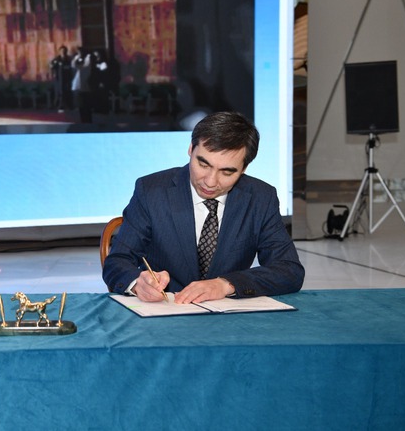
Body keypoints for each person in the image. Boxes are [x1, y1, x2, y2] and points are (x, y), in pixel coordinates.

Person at [102, 111, 304, 304]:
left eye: (227, 172)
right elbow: (117, 261)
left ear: (244, 168)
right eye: (203, 165)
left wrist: (226, 284)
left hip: (229, 317)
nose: (210, 181)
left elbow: (289, 270)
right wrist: (138, 283)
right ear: (191, 149)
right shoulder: (151, 191)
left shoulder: (261, 198)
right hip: (165, 312)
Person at [49, 45, 73, 112]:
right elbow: (52, 67)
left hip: (67, 79)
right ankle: (60, 106)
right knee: (59, 92)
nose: (63, 52)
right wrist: (54, 73)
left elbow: (71, 68)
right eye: (62, 51)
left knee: (67, 92)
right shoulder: (56, 59)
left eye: (64, 51)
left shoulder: (69, 59)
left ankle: (68, 105)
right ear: (59, 52)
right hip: (59, 79)